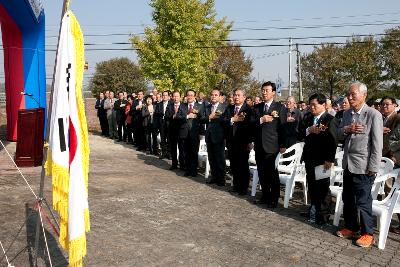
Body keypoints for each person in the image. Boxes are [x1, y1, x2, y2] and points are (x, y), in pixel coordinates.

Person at [336, 82, 383, 248]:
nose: (349, 97)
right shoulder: (347, 113)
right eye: (348, 94)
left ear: (364, 95)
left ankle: (368, 233)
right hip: (348, 163)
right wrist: (348, 128)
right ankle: (351, 227)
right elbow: (339, 132)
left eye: (353, 94)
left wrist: (374, 167)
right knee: (347, 198)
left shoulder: (373, 114)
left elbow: (377, 144)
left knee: (363, 201)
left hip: (364, 166)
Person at [299, 93, 338, 224]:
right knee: (312, 186)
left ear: (323, 105)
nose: (312, 107)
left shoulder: (330, 119)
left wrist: (329, 159)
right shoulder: (308, 117)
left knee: (323, 188)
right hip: (309, 157)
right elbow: (299, 132)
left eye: (314, 105)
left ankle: (323, 215)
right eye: (310, 105)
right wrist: (309, 130)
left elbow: (333, 141)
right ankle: (313, 210)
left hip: (323, 160)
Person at [253, 82, 287, 207]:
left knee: (272, 173)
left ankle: (274, 198)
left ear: (273, 92)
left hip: (272, 145)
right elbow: (252, 124)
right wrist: (261, 120)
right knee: (262, 172)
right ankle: (265, 196)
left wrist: (283, 144)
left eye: (267, 90)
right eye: (263, 90)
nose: (264, 92)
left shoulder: (279, 107)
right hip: (259, 145)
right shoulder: (257, 108)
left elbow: (283, 127)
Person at [223, 89, 254, 195]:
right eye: (235, 95)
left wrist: (250, 141)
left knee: (243, 165)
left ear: (244, 97)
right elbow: (223, 121)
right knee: (234, 165)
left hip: (243, 142)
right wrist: (232, 120)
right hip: (231, 141)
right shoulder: (229, 108)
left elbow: (251, 127)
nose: (236, 97)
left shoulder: (249, 110)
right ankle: (236, 186)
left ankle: (243, 188)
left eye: (238, 95)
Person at [176, 90, 204, 177]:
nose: (190, 97)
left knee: (194, 152)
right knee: (186, 152)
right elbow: (178, 117)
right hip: (184, 132)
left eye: (191, 95)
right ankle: (187, 170)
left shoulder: (200, 106)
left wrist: (201, 133)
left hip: (195, 133)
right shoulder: (182, 106)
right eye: (188, 95)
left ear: (195, 96)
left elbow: (202, 119)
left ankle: (194, 170)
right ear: (186, 96)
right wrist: (187, 116)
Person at [203, 89, 227, 186]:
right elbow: (201, 119)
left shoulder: (224, 107)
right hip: (209, 136)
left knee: (220, 159)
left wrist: (218, 117)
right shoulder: (207, 107)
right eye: (212, 95)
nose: (213, 96)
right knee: (211, 158)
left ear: (220, 96)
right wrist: (209, 117)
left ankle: (221, 179)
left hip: (219, 136)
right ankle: (214, 177)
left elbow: (226, 121)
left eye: (216, 95)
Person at [164, 91, 185, 170]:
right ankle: (174, 164)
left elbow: (184, 116)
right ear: (172, 97)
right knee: (173, 148)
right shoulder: (169, 106)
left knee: (181, 147)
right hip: (172, 129)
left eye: (177, 96)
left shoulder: (183, 106)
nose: (176, 98)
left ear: (180, 97)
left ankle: (182, 164)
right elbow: (166, 116)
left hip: (181, 130)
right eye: (174, 96)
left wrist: (178, 117)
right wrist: (173, 116)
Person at [381, 96, 400, 161]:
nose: (384, 106)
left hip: (392, 156)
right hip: (382, 154)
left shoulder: (398, 118)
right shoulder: (381, 117)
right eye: (383, 104)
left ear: (394, 105)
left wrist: (393, 155)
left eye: (387, 104)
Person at [154, 90, 171, 159]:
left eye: (166, 95)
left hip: (169, 124)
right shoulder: (159, 104)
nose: (164, 96)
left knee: (169, 139)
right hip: (161, 124)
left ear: (169, 97)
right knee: (163, 139)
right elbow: (156, 115)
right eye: (163, 95)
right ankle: (163, 153)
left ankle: (169, 154)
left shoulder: (171, 104)